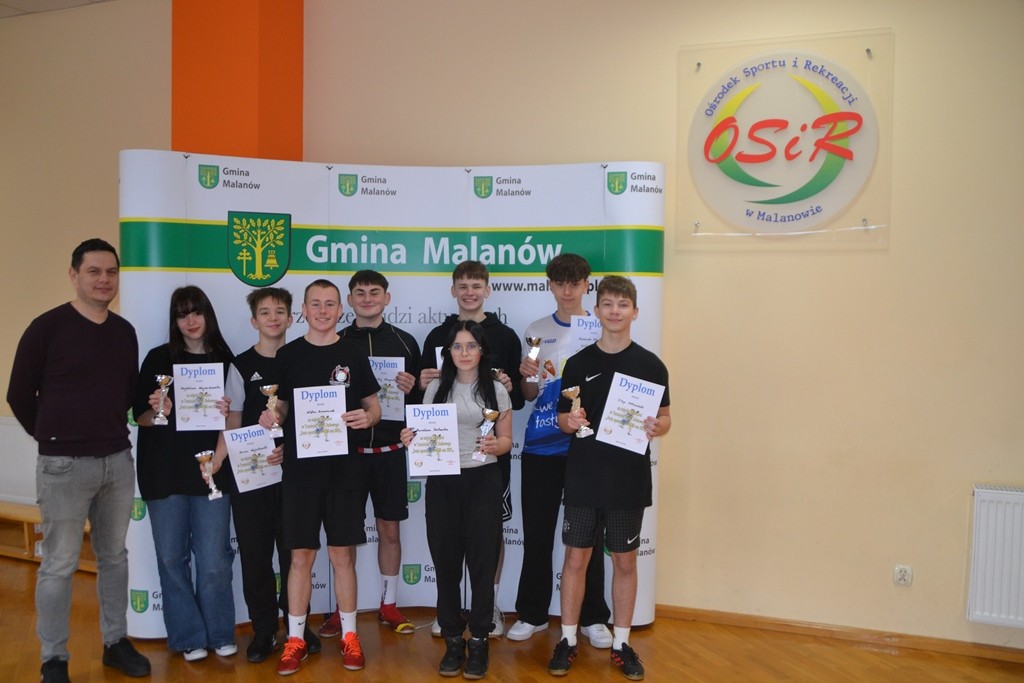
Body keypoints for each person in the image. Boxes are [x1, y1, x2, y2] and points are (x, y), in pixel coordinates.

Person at [7, 238, 151, 683]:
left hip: (117, 461)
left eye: (111, 272)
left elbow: (127, 396)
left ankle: (115, 642)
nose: (104, 279)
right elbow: (18, 394)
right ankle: (54, 658)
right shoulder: (47, 327)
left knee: (114, 557)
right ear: (74, 275)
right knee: (59, 565)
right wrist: (53, 438)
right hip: (63, 467)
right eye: (94, 271)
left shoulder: (124, 332)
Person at [548, 276, 671, 681]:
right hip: (584, 476)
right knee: (575, 559)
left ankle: (622, 644)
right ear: (597, 310)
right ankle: (568, 639)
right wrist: (571, 421)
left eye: (622, 304)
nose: (615, 311)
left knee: (624, 561)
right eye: (608, 304)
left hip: (627, 480)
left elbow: (665, 417)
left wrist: (657, 426)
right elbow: (563, 419)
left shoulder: (651, 365)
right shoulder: (579, 363)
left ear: (635, 311)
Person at [263, 279, 381, 676]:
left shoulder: (353, 352)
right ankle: (295, 639)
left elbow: (374, 408)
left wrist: (367, 418)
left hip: (344, 470)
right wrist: (272, 417)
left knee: (341, 556)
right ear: (304, 310)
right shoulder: (288, 354)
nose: (323, 311)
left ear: (340, 309)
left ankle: (350, 636)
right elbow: (279, 408)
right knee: (300, 557)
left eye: (330, 304)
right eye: (315, 304)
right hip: (300, 472)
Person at [209, 287, 322, 663]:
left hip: (295, 475)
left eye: (279, 311)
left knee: (295, 554)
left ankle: (297, 626)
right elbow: (233, 420)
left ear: (291, 318)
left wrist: (290, 447)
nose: (273, 318)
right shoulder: (241, 365)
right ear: (254, 320)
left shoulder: (302, 360)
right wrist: (217, 461)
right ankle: (263, 629)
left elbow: (313, 418)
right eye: (265, 312)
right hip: (251, 477)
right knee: (255, 556)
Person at [508, 254, 612, 648]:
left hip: (588, 446)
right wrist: (526, 376)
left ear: (587, 284)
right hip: (542, 445)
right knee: (537, 533)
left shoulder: (601, 327)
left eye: (575, 282)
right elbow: (529, 394)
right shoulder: (536, 330)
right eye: (560, 282)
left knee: (589, 536)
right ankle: (532, 613)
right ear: (550, 285)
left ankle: (593, 617)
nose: (567, 290)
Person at [400, 321, 513, 679]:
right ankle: (452, 639)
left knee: (482, 565)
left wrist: (496, 445)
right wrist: (411, 439)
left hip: (483, 481)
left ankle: (478, 640)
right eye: (457, 346)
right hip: (443, 482)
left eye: (471, 345)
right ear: (448, 352)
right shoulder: (436, 387)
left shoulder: (496, 388)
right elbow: (424, 434)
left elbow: (507, 440)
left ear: (482, 350)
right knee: (446, 565)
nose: (464, 352)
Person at [418, 260, 524, 638]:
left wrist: (511, 385)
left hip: (486, 465)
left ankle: (487, 605)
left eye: (476, 285)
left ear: (487, 290)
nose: (469, 292)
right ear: (453, 291)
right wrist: (420, 386)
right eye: (462, 285)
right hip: (445, 471)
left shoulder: (507, 337)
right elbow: (423, 414)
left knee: (488, 540)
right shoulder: (436, 337)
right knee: (447, 547)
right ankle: (448, 614)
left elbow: (517, 401)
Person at [132, 286, 236, 662]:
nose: (190, 321)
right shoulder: (158, 358)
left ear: (207, 315)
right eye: (182, 314)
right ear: (174, 321)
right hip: (163, 473)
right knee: (171, 560)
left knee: (214, 560)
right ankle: (188, 636)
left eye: (196, 312)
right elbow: (141, 417)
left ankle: (220, 632)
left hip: (212, 472)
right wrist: (159, 409)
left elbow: (237, 420)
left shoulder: (227, 360)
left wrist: (228, 413)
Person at [317, 270, 422, 638]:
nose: (366, 299)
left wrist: (414, 388)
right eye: (359, 293)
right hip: (346, 454)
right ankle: (341, 608)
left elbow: (420, 402)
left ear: (386, 298)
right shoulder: (337, 341)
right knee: (342, 535)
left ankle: (388, 604)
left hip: (390, 451)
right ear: (349, 300)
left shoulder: (406, 342)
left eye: (374, 292)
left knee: (389, 530)